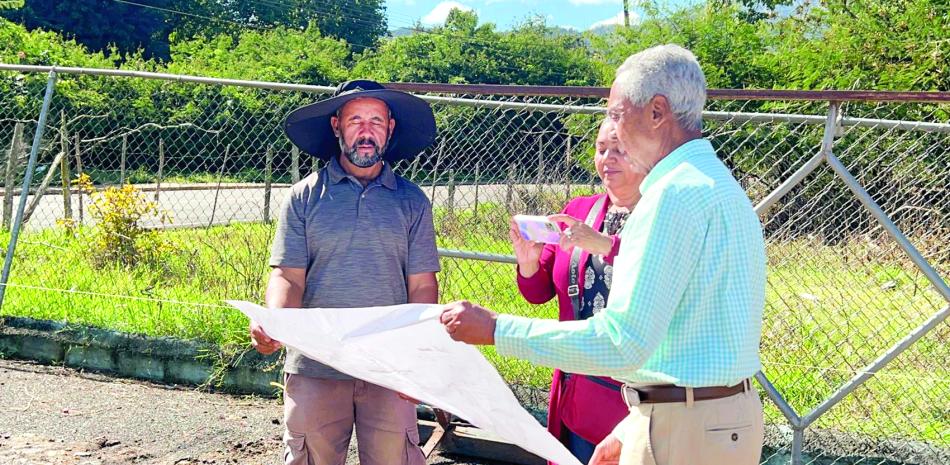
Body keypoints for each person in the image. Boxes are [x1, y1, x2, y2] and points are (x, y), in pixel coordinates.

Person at [441, 44, 766, 465]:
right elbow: (699, 338)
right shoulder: (714, 184)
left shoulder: (670, 197)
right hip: (715, 418)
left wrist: (496, 330)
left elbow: (621, 342)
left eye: (616, 113)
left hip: (684, 428)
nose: (612, 127)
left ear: (656, 112)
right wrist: (635, 425)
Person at [249, 79, 441, 465]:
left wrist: (416, 358)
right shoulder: (304, 196)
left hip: (388, 364)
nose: (366, 131)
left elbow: (422, 286)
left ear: (390, 129)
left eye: (376, 120)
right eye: (356, 120)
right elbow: (288, 276)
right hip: (316, 362)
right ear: (336, 125)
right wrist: (276, 322)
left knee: (395, 458)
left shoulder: (412, 202)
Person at [510, 118, 641, 464]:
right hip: (580, 389)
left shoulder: (659, 212)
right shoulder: (580, 210)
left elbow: (662, 268)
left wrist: (604, 244)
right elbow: (538, 293)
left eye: (619, 149)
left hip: (636, 396)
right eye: (601, 149)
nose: (607, 158)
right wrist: (528, 263)